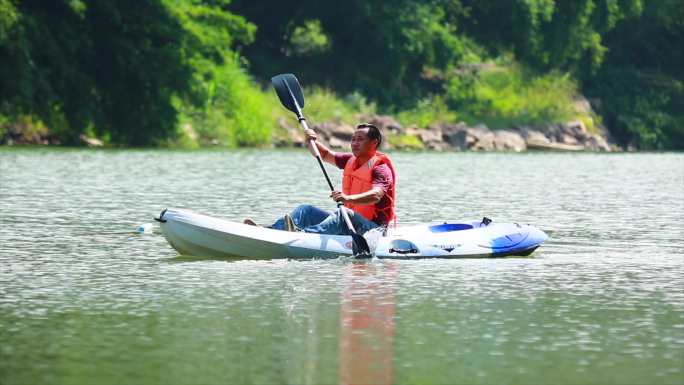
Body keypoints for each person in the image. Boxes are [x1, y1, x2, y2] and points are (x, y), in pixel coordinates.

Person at [245, 123, 396, 235]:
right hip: (349, 222)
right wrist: (311, 141)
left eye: (360, 139)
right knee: (306, 210)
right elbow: (324, 155)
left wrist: (347, 197)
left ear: (374, 142)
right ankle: (269, 232)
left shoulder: (381, 168)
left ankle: (304, 235)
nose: (354, 143)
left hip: (373, 230)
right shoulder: (350, 160)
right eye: (353, 139)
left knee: (343, 214)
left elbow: (376, 195)